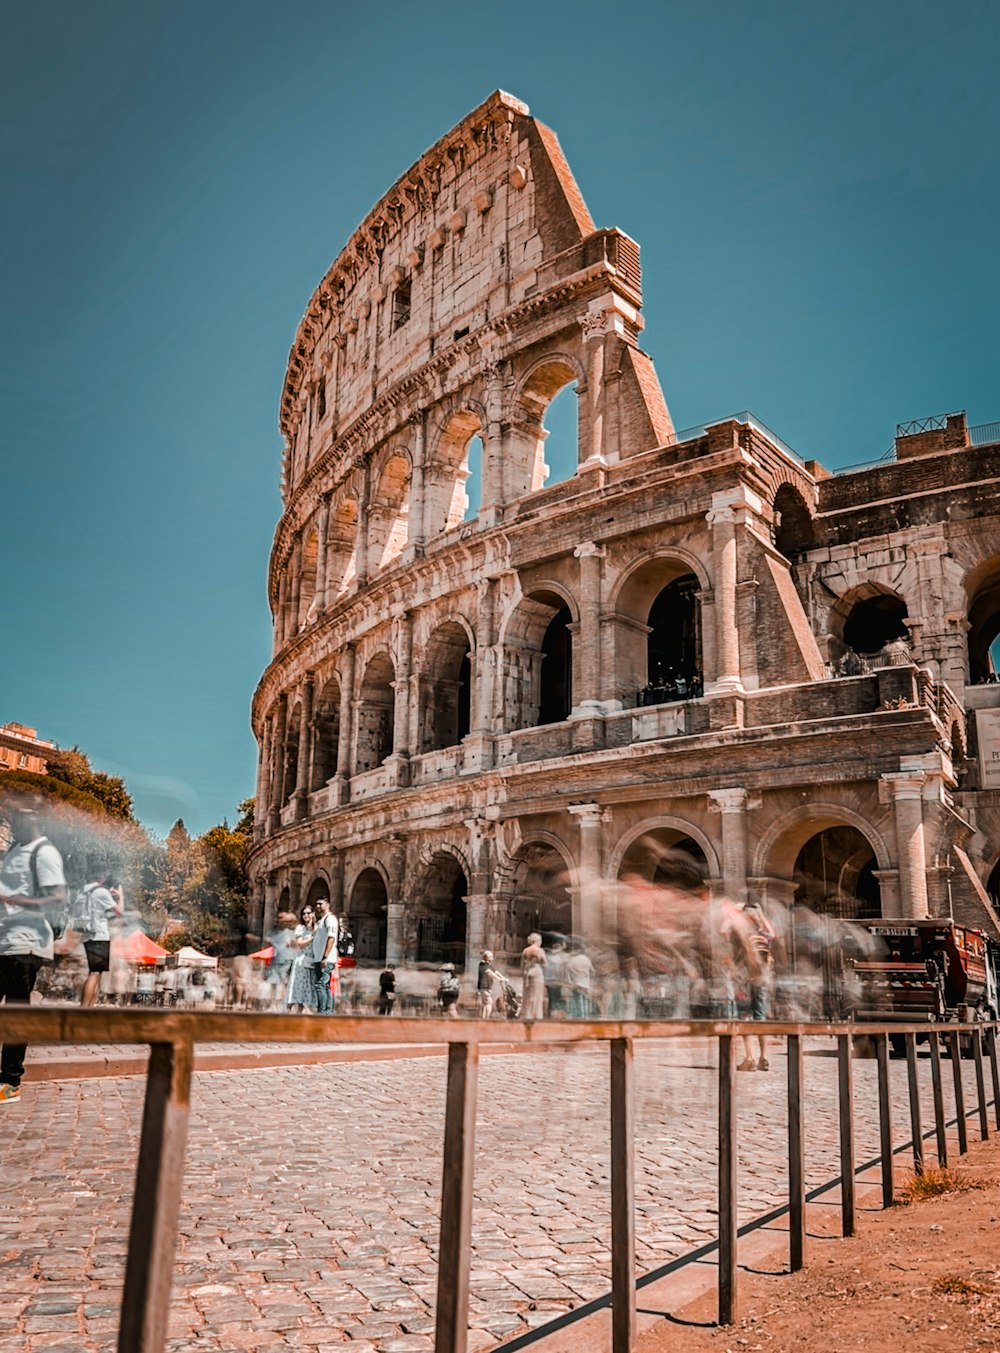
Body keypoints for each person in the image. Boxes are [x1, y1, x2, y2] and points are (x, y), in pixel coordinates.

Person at [0, 800, 67, 1104]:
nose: (14, 823)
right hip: (4, 939)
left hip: (26, 942)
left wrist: (20, 902)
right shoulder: (15, 850)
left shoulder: (45, 852)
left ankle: (11, 1080)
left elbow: (57, 896)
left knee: (16, 1010)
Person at [69, 864, 126, 1008]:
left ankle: (89, 1007)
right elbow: (120, 912)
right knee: (94, 973)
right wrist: (120, 896)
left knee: (96, 973)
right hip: (99, 935)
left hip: (87, 935)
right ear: (102, 876)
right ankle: (84, 1008)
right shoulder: (101, 892)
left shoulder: (83, 891)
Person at [737, 901, 777, 1071]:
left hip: (746, 979)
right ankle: (764, 1057)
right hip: (762, 980)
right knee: (760, 1019)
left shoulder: (744, 933)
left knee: (746, 1017)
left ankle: (749, 1058)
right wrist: (760, 914)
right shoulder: (764, 934)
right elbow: (773, 934)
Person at [286, 903, 317, 1013]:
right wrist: (313, 937)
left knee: (306, 986)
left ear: (313, 914)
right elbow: (300, 944)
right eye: (303, 913)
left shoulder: (316, 927)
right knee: (297, 984)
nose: (306, 915)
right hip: (301, 960)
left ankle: (299, 1012)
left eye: (308, 913)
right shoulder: (300, 928)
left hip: (311, 960)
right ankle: (288, 1010)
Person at [311, 897, 339, 1014]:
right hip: (319, 958)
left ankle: (323, 1011)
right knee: (325, 985)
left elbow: (331, 938)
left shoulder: (330, 919)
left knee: (321, 985)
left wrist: (325, 956)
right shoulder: (322, 920)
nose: (318, 906)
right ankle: (327, 1010)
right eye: (316, 904)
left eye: (320, 904)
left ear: (327, 905)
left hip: (326, 959)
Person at [565, 942, 596, 1019]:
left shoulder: (572, 960)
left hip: (577, 982)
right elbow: (593, 971)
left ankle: (580, 1017)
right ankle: (586, 1016)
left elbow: (568, 973)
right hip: (586, 982)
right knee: (585, 999)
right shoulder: (586, 959)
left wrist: (569, 982)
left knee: (577, 1000)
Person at [520, 932, 547, 1020]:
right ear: (538, 941)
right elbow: (545, 964)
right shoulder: (539, 950)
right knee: (537, 996)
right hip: (537, 972)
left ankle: (527, 1015)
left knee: (528, 996)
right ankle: (537, 1015)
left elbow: (522, 965)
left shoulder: (525, 950)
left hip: (527, 973)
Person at [476, 950, 503, 1019]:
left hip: (488, 987)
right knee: (489, 1002)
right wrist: (499, 979)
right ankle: (487, 1018)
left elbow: (496, 972)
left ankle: (484, 1018)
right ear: (487, 958)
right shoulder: (483, 965)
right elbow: (490, 973)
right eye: (491, 957)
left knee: (485, 1003)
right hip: (484, 987)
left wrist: (503, 978)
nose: (492, 959)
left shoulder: (488, 965)